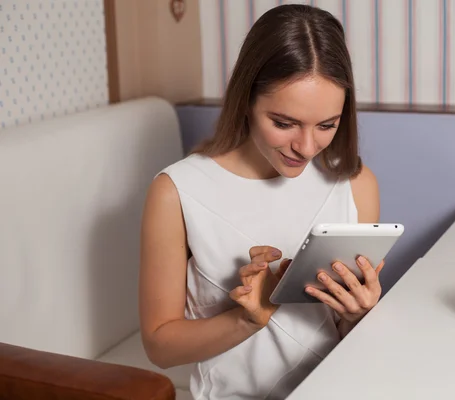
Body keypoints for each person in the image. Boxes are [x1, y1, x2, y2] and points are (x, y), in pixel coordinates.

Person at [139, 4, 384, 399]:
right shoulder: (176, 191)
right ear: (247, 99)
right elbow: (159, 346)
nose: (306, 147)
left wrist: (357, 315)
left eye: (326, 125)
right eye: (284, 123)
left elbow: (341, 334)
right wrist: (246, 320)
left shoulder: (355, 185)